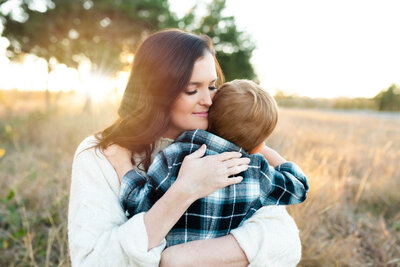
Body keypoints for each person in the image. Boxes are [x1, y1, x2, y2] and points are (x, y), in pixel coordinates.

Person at [68, 29, 302, 267]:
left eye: (212, 86)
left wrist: (176, 259)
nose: (209, 101)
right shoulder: (101, 153)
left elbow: (285, 244)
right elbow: (93, 261)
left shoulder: (229, 148)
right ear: (156, 91)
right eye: (192, 89)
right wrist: (184, 192)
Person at [119, 79, 309, 247]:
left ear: (208, 115)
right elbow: (299, 186)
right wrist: (263, 149)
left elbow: (139, 205)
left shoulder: (174, 154)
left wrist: (124, 167)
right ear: (258, 143)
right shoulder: (256, 172)